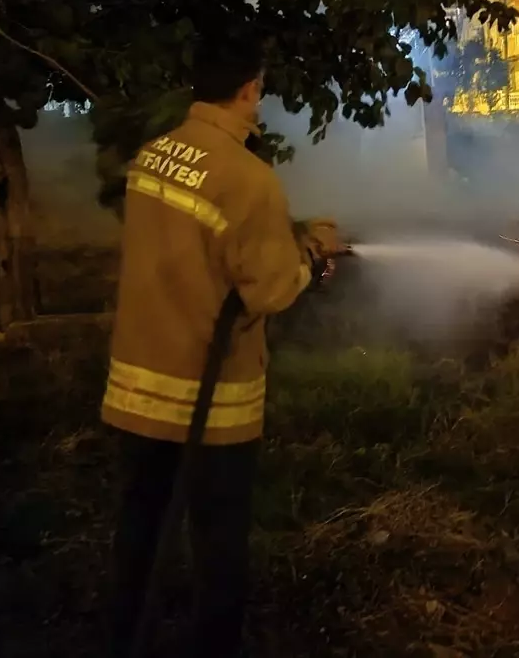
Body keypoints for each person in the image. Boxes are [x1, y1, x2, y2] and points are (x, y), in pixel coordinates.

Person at [102, 44, 341, 657]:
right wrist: (309, 254)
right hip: (211, 398)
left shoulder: (153, 157)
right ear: (250, 88)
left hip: (137, 384)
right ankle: (216, 645)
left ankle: (123, 629)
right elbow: (270, 289)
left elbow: (197, 247)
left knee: (141, 520)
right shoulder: (249, 180)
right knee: (218, 537)